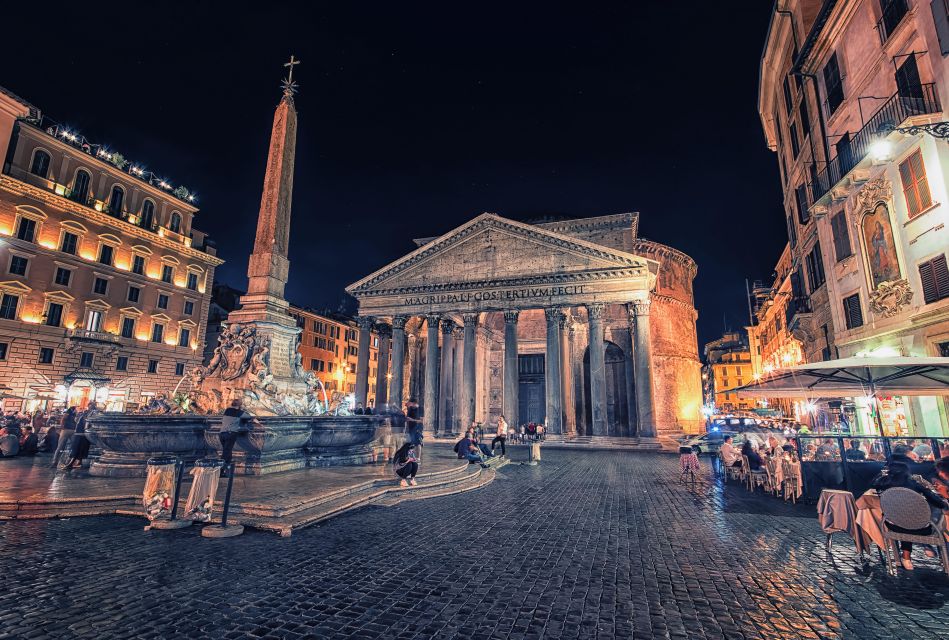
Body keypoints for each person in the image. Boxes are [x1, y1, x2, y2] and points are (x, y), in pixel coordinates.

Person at [872, 461, 949, 570]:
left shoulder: (883, 484)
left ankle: (906, 558)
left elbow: (873, 482)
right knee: (916, 516)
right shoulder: (914, 484)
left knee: (903, 517)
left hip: (894, 525)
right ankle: (926, 548)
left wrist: (882, 474)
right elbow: (939, 503)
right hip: (921, 528)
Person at [219, 399, 257, 476]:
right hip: (230, 434)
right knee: (226, 453)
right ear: (240, 406)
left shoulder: (227, 410)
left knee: (227, 451)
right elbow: (248, 416)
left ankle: (226, 470)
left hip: (222, 433)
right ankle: (221, 471)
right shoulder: (239, 412)